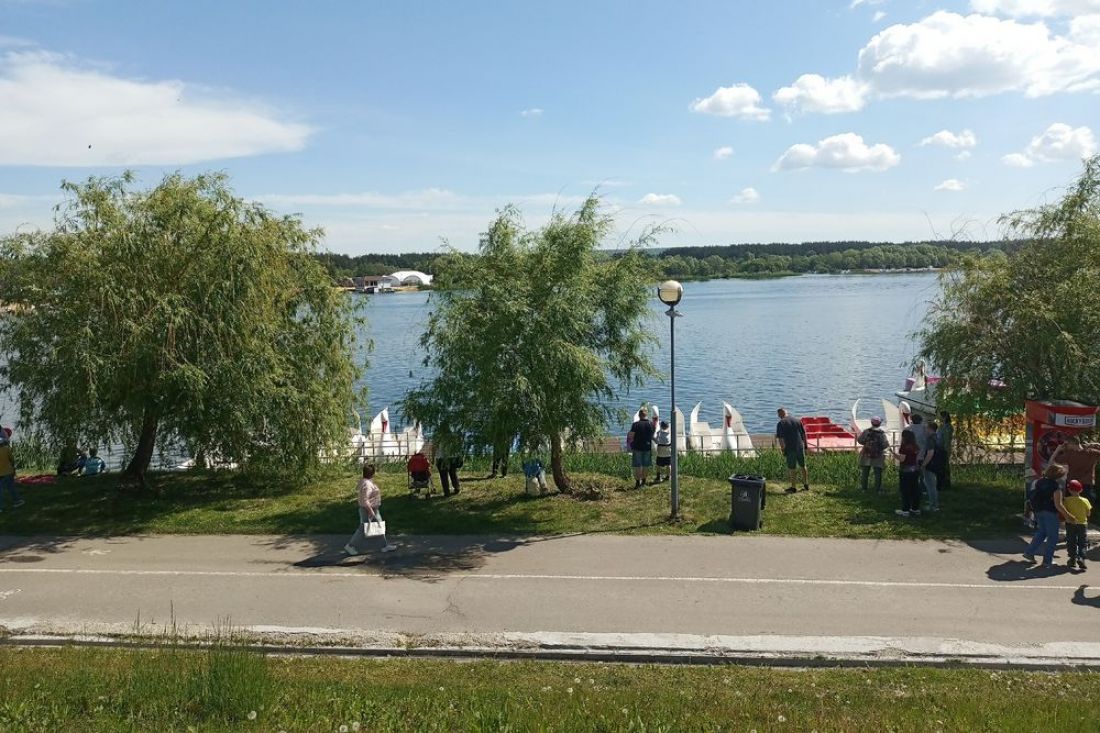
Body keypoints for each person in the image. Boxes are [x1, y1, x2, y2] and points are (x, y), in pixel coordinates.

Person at [1024, 463, 1071, 568]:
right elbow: (1058, 505)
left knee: (1042, 532)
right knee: (1053, 537)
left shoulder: (1039, 482)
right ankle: (1047, 561)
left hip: (1038, 511)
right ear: (1058, 475)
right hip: (1050, 512)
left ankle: (1029, 552)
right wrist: (1068, 516)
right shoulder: (1056, 487)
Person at [344, 463, 397, 555]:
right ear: (372, 473)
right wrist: (371, 511)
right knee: (363, 528)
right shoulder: (367, 484)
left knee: (379, 526)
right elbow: (365, 500)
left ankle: (384, 546)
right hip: (368, 510)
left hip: (372, 509)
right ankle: (350, 545)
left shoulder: (365, 481)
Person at [1050, 436, 1100, 504]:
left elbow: (1053, 460)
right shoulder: (1092, 452)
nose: (1066, 446)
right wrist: (1094, 444)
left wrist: (1058, 449)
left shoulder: (1070, 454)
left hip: (1072, 484)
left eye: (1067, 444)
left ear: (1071, 444)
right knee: (1086, 506)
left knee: (1070, 506)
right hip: (1087, 484)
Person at [775, 407, 809, 493]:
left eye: (778, 414)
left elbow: (781, 439)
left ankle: (793, 487)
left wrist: (783, 450)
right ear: (786, 412)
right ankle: (806, 484)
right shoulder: (797, 420)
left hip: (790, 448)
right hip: (800, 446)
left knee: (792, 468)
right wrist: (805, 446)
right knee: (803, 465)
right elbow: (803, 434)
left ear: (779, 415)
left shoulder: (781, 423)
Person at [1063, 479, 1092, 571]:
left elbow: (1064, 511)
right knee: (1082, 542)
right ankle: (1081, 558)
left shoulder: (1066, 500)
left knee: (1071, 541)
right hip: (1082, 524)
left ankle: (1072, 559)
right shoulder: (1085, 500)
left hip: (1070, 523)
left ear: (1069, 490)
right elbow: (1088, 513)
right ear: (1081, 490)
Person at [856, 416, 889, 493]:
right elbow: (885, 444)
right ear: (880, 423)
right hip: (878, 455)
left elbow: (860, 440)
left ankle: (864, 489)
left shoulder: (866, 431)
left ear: (871, 423)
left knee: (865, 473)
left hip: (866, 454)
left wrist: (866, 444)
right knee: (878, 473)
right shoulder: (881, 433)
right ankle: (877, 489)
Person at [894, 428, 922, 517]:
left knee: (905, 490)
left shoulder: (904, 447)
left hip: (905, 470)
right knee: (915, 489)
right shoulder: (915, 446)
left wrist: (894, 454)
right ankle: (915, 508)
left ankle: (905, 510)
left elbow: (902, 459)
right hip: (915, 469)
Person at [627, 407, 656, 489]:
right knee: (645, 466)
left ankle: (637, 483)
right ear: (647, 415)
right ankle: (643, 482)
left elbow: (631, 436)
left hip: (637, 447)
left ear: (639, 415)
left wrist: (630, 445)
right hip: (647, 447)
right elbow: (652, 435)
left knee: (637, 466)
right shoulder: (651, 424)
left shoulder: (635, 424)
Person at [921, 420, 943, 512]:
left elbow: (930, 453)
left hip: (930, 464)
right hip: (936, 463)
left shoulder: (930, 439)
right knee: (932, 484)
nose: (925, 430)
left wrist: (923, 464)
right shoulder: (937, 437)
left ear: (930, 429)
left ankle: (933, 506)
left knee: (930, 485)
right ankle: (933, 502)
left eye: (926, 428)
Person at [0, 431, 22, 512]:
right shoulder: (6, 449)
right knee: (11, 487)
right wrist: (13, 469)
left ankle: (0, 507)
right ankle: (17, 501)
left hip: (1, 473)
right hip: (9, 471)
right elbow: (12, 460)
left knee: (0, 491)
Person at [937, 412, 954, 491]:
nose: (939, 418)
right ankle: (941, 483)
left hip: (944, 449)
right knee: (940, 466)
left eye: (940, 416)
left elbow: (947, 440)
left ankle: (946, 484)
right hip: (939, 448)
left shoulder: (948, 427)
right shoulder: (941, 426)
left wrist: (946, 450)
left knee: (945, 467)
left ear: (945, 417)